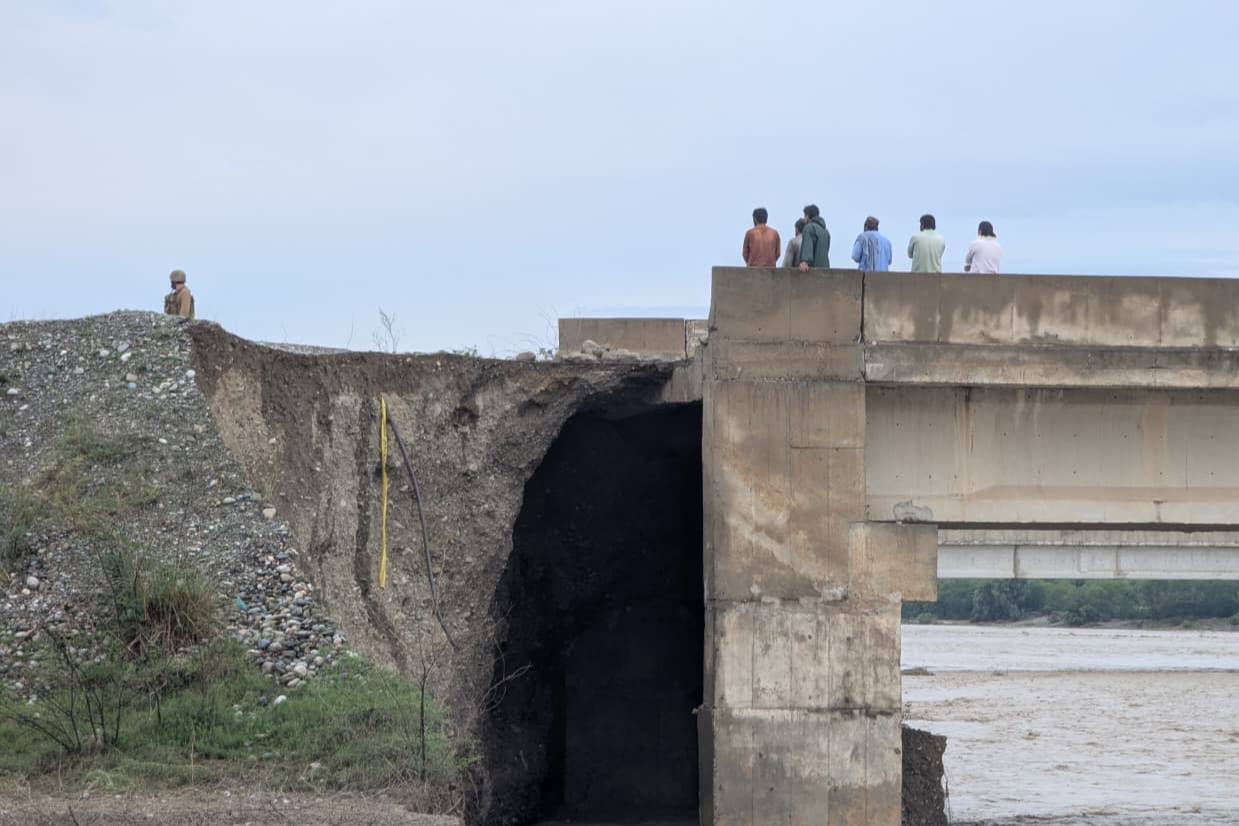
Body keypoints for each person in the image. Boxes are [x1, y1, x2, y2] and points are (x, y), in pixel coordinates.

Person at [797, 204, 831, 270]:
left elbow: (807, 247)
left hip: (813, 271)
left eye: (804, 216)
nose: (804, 220)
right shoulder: (826, 232)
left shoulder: (808, 228)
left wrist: (804, 261)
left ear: (807, 216)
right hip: (826, 270)